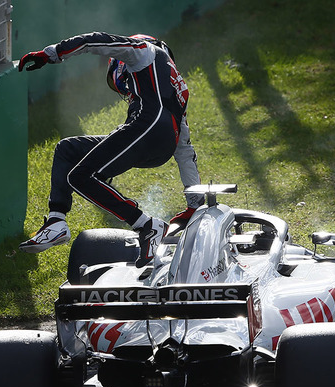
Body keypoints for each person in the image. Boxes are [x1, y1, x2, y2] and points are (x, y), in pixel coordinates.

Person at [17, 32, 202, 267]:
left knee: (80, 176)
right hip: (156, 142)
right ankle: (56, 220)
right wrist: (194, 205)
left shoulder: (144, 51)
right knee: (67, 149)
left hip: (146, 128)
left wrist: (51, 54)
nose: (125, 89)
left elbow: (95, 41)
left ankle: (147, 226)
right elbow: (185, 150)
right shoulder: (175, 87)